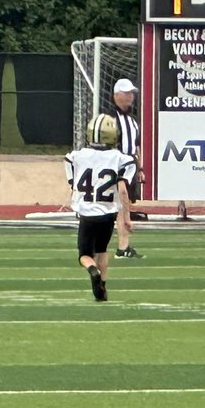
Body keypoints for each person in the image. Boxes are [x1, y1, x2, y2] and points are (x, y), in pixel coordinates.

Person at [64, 114, 134, 302]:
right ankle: (102, 286)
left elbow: (72, 177)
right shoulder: (120, 158)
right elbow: (123, 191)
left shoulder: (76, 156)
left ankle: (92, 270)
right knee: (102, 249)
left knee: (85, 255)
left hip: (87, 213)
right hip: (108, 213)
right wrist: (127, 217)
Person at [111, 78, 144, 258]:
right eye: (126, 93)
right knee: (118, 205)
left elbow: (136, 146)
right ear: (116, 95)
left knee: (123, 205)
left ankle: (124, 247)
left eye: (131, 93)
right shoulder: (109, 119)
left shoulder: (132, 121)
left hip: (129, 166)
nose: (130, 97)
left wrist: (139, 167)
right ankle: (121, 246)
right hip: (116, 166)